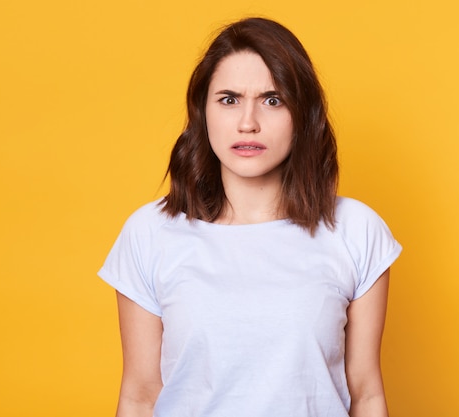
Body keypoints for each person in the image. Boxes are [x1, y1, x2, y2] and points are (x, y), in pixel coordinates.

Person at [99, 17, 402, 417]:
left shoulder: (357, 231)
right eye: (228, 99)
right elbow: (139, 395)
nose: (248, 123)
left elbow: (365, 393)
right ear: (202, 111)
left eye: (272, 100)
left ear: (303, 114)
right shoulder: (149, 233)